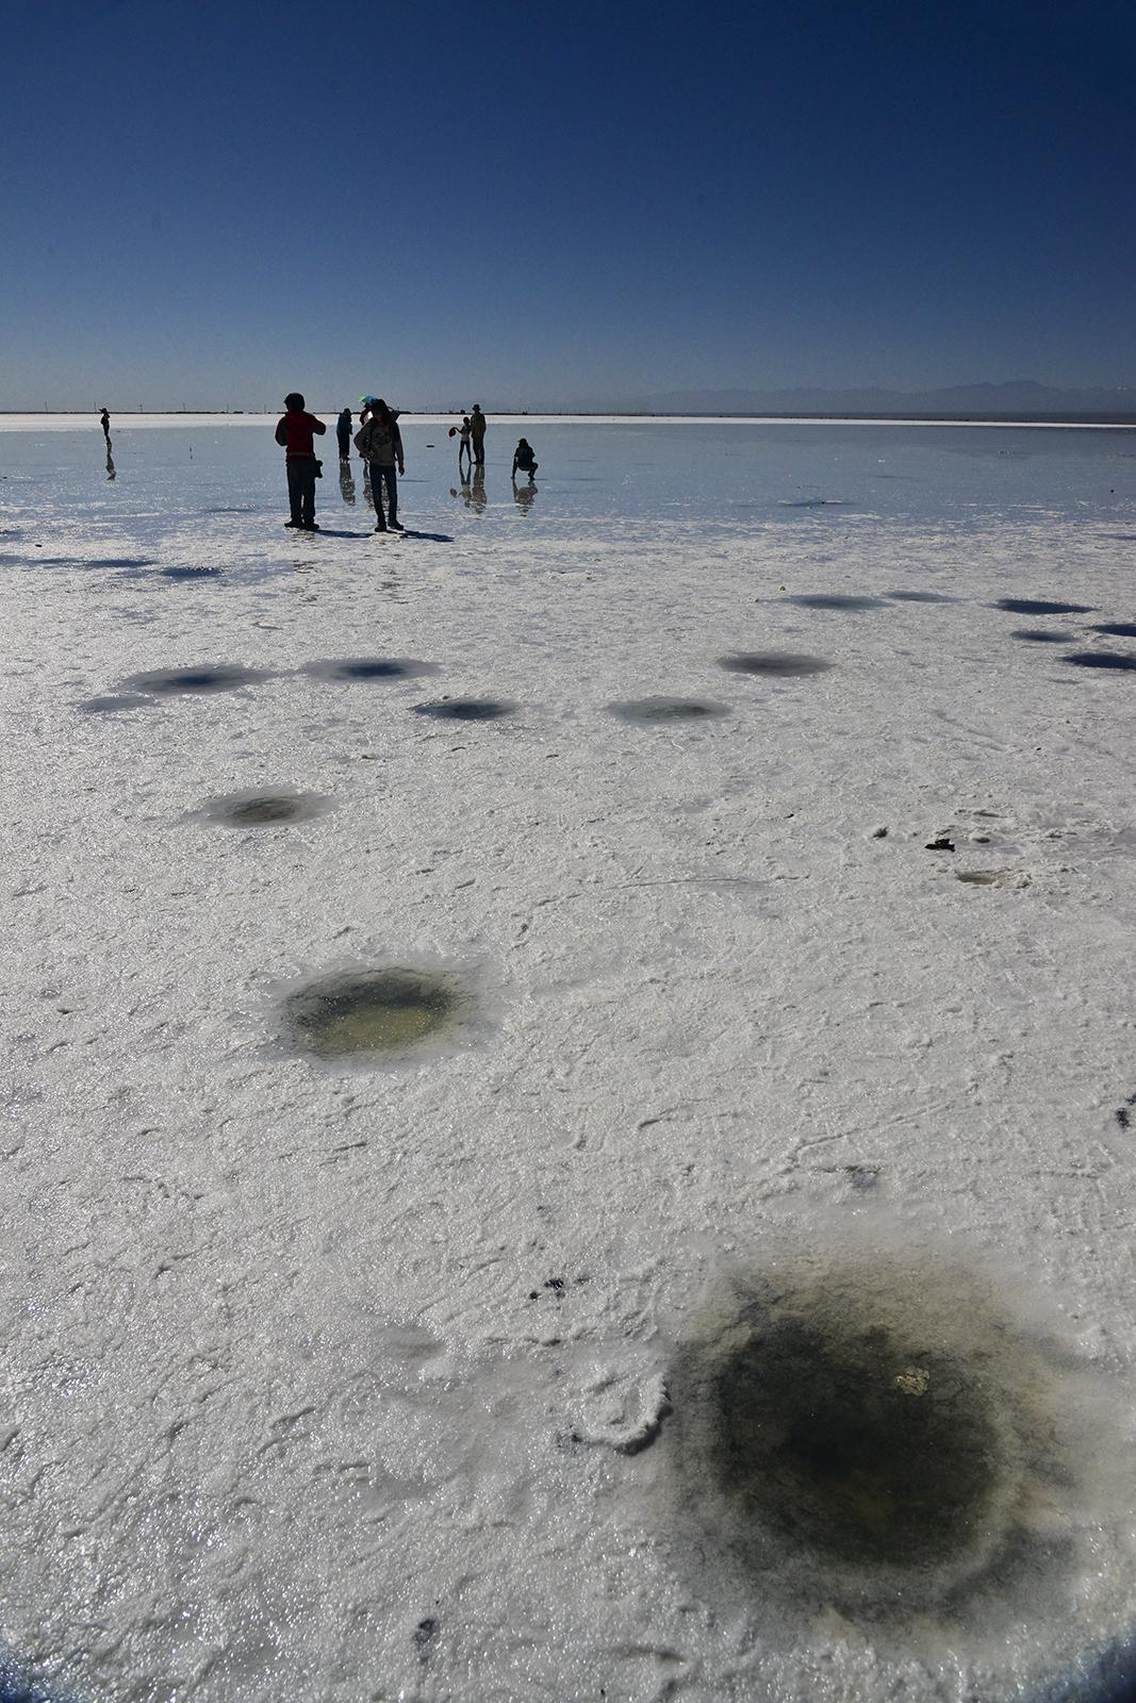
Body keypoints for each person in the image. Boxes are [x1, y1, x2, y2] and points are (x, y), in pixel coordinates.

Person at [274, 391, 326, 530]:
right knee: (308, 491)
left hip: (293, 460)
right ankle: (308, 520)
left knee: (294, 491)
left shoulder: (285, 421)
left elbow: (280, 440)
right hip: (307, 459)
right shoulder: (308, 418)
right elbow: (322, 430)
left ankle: (296, 519)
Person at [354, 398, 405, 532]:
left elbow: (398, 445)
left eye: (378, 412)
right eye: (374, 412)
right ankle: (381, 521)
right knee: (376, 494)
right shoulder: (371, 425)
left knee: (393, 494)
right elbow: (357, 439)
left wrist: (401, 462)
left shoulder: (393, 425)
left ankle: (392, 520)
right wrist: (366, 453)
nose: (376, 415)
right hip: (375, 464)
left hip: (389, 464)